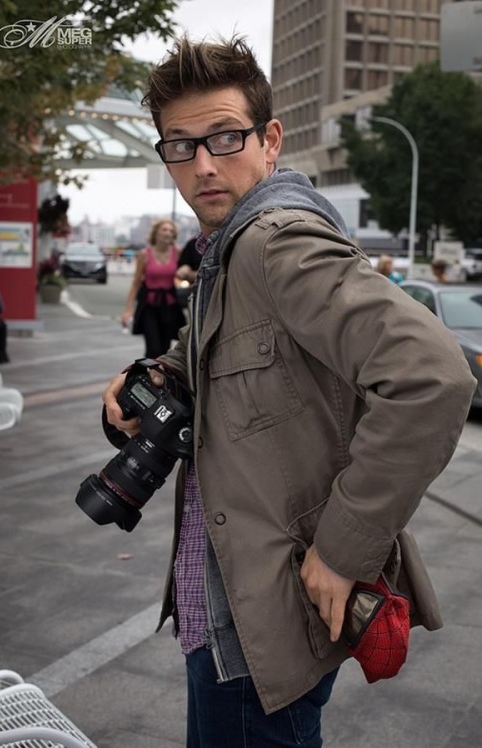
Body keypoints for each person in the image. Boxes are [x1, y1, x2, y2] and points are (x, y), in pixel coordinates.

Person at [102, 37, 476, 748]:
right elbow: (212, 359)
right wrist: (144, 381)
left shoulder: (277, 243)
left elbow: (434, 375)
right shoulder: (229, 251)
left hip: (261, 619)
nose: (203, 165)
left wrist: (342, 550)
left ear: (270, 139)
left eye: (225, 137)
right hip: (228, 600)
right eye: (180, 146)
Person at [121, 219, 186, 357]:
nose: (168, 233)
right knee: (153, 349)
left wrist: (185, 274)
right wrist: (128, 309)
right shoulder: (145, 254)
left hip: (170, 306)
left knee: (165, 349)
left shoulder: (178, 252)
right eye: (164, 230)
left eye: (171, 231)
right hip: (149, 306)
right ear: (156, 233)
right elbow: (136, 282)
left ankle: (160, 377)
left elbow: (186, 272)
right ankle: (148, 375)